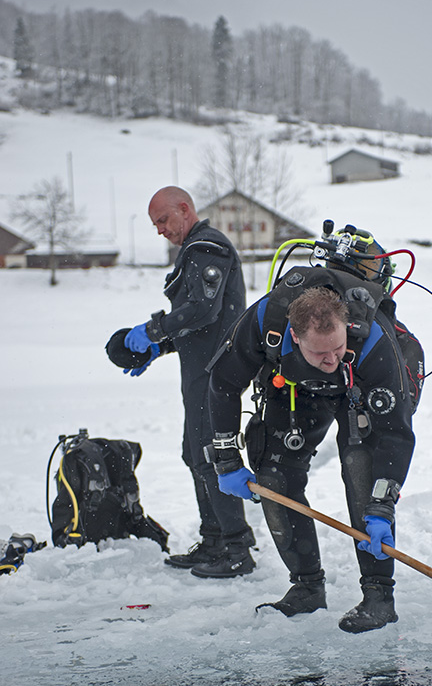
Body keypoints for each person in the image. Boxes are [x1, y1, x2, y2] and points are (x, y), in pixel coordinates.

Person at [204, 261, 416, 633]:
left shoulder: (371, 342)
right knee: (274, 477)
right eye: (321, 353)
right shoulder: (264, 323)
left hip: (360, 389)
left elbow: (395, 434)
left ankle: (380, 595)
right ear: (295, 336)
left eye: (337, 347)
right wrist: (226, 457)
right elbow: (222, 383)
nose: (331, 358)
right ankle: (306, 588)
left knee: (362, 476)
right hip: (295, 388)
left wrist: (383, 505)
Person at [121, 186, 256, 578]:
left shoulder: (206, 248)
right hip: (202, 368)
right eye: (155, 225)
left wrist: (154, 329)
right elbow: (198, 322)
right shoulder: (195, 250)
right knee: (194, 452)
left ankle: (236, 548)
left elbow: (203, 310)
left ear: (184, 209)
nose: (160, 230)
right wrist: (157, 348)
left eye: (163, 220)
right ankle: (215, 539)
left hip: (215, 372)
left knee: (210, 455)